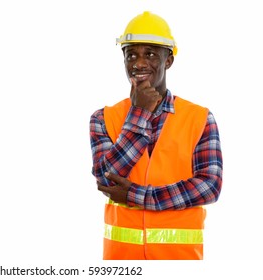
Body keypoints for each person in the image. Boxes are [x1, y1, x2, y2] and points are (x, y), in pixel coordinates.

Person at [89, 11, 223, 260]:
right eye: (131, 55)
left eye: (150, 54)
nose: (139, 63)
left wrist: (136, 196)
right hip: (122, 263)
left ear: (168, 60)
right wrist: (139, 113)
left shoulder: (200, 118)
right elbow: (106, 179)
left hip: (179, 263)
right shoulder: (102, 118)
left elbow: (209, 187)